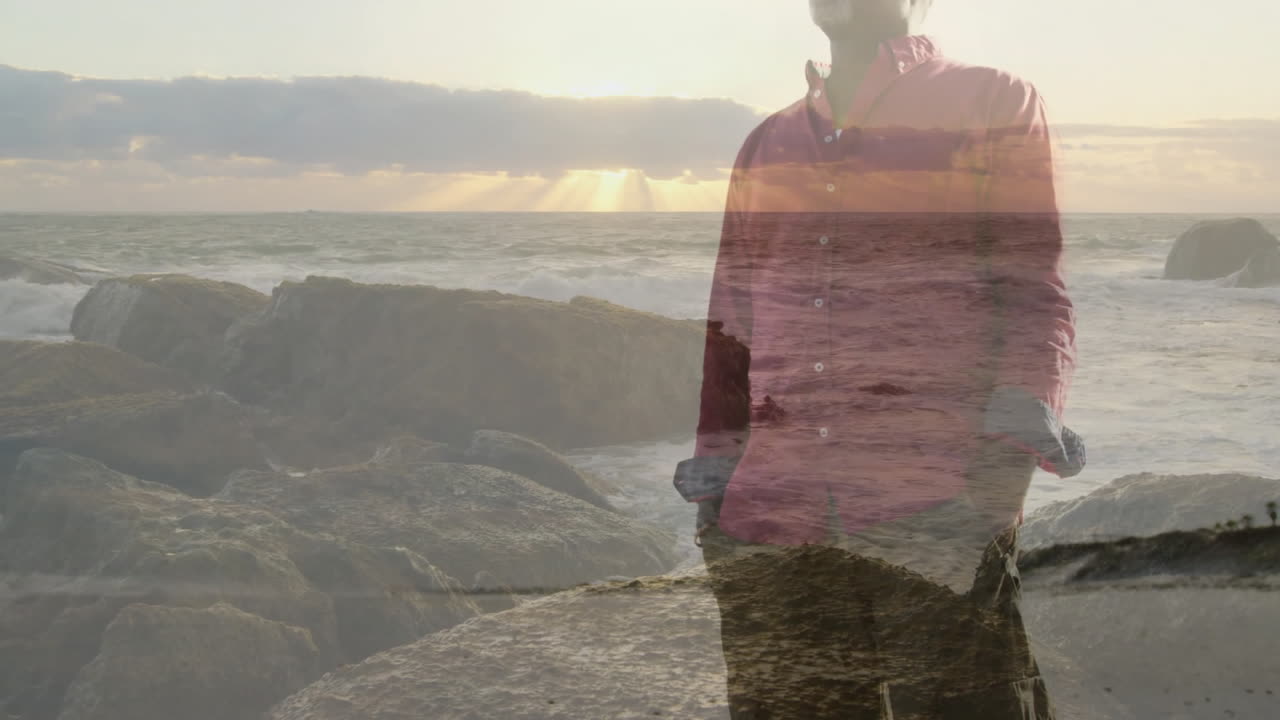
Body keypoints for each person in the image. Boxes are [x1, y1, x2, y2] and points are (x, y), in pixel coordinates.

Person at [676, 1, 1081, 717]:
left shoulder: (991, 101)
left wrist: (989, 493)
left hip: (934, 510)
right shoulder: (767, 143)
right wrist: (716, 497)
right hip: (770, 524)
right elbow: (730, 331)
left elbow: (1032, 292)